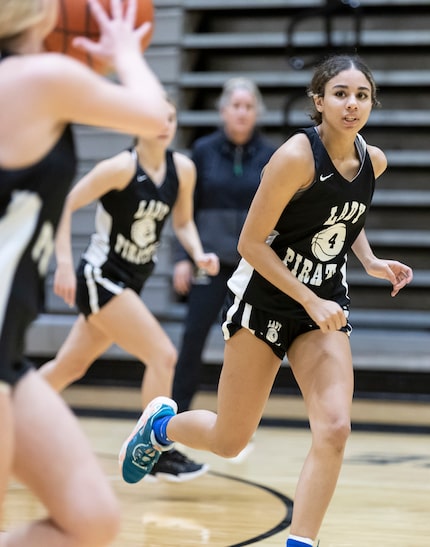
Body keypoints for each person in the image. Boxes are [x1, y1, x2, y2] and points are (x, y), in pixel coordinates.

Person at [118, 53, 414, 545]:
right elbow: (249, 244)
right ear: (318, 101)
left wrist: (369, 260)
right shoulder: (296, 157)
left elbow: (344, 217)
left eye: (361, 95)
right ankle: (161, 428)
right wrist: (309, 300)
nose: (352, 104)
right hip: (265, 301)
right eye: (340, 94)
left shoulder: (372, 161)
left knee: (335, 428)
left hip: (322, 309)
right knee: (230, 440)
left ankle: (302, 541)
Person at [0, 0, 173, 544]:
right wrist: (124, 51)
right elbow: (155, 115)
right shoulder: (41, 77)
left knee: (91, 520)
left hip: (9, 354)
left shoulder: (36, 80)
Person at [38, 98, 219, 482]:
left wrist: (198, 252)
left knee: (70, 366)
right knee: (163, 355)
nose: (165, 124)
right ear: (136, 124)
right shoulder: (119, 168)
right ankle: (157, 451)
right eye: (156, 117)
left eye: (171, 117)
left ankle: (11, 407)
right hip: (101, 276)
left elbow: (183, 222)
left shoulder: (182, 169)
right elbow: (63, 203)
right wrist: (65, 263)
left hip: (130, 281)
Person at [172, 77, 276, 415]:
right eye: (236, 106)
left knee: (250, 344)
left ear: (257, 112)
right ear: (223, 111)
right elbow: (185, 208)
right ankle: (174, 413)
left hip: (252, 264)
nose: (242, 113)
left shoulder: (272, 155)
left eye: (248, 107)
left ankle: (241, 418)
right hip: (209, 262)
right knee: (193, 338)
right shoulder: (202, 151)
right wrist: (183, 258)